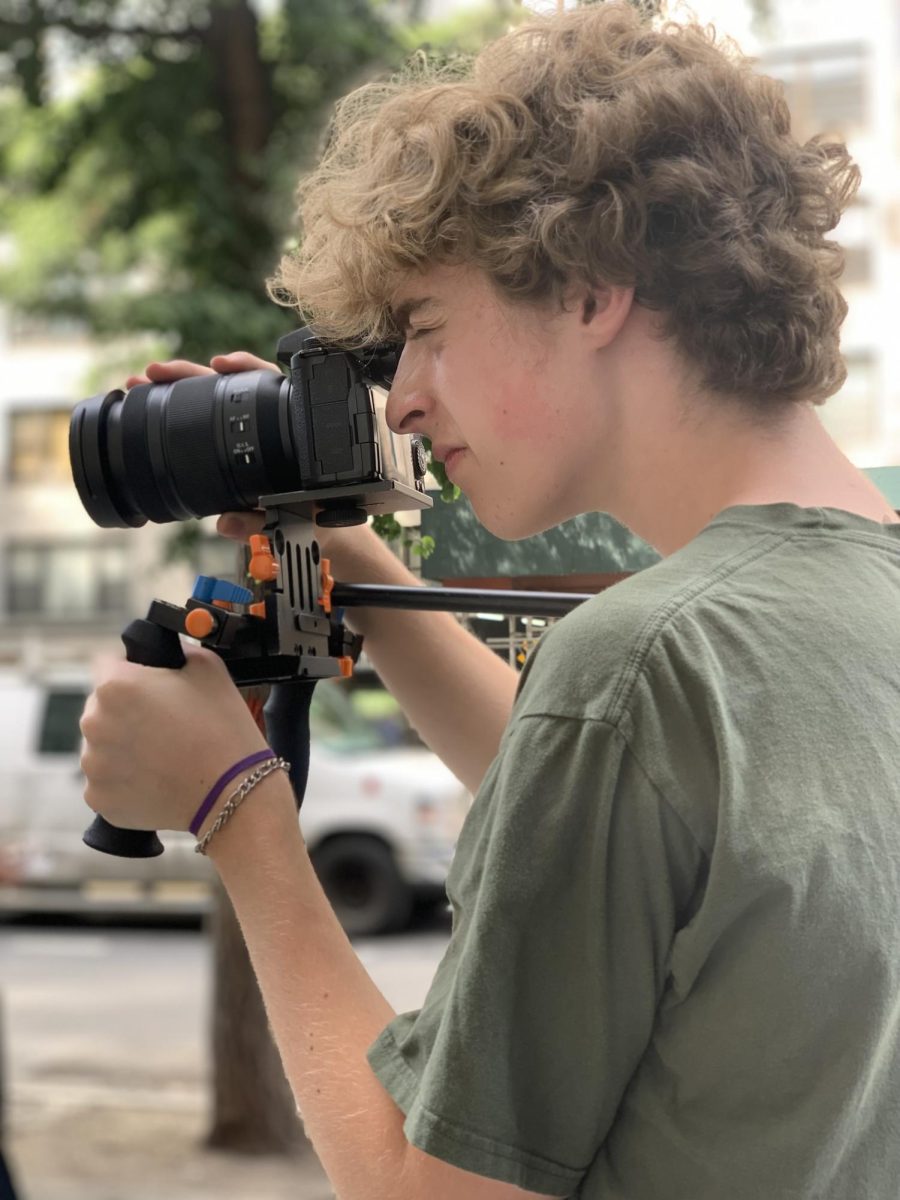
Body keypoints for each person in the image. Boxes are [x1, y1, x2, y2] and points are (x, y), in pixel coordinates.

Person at [78, 4, 900, 1197]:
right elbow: (639, 814)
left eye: (422, 331)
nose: (400, 399)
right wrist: (348, 554)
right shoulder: (827, 620)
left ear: (588, 291)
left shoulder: (642, 673)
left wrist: (236, 813)